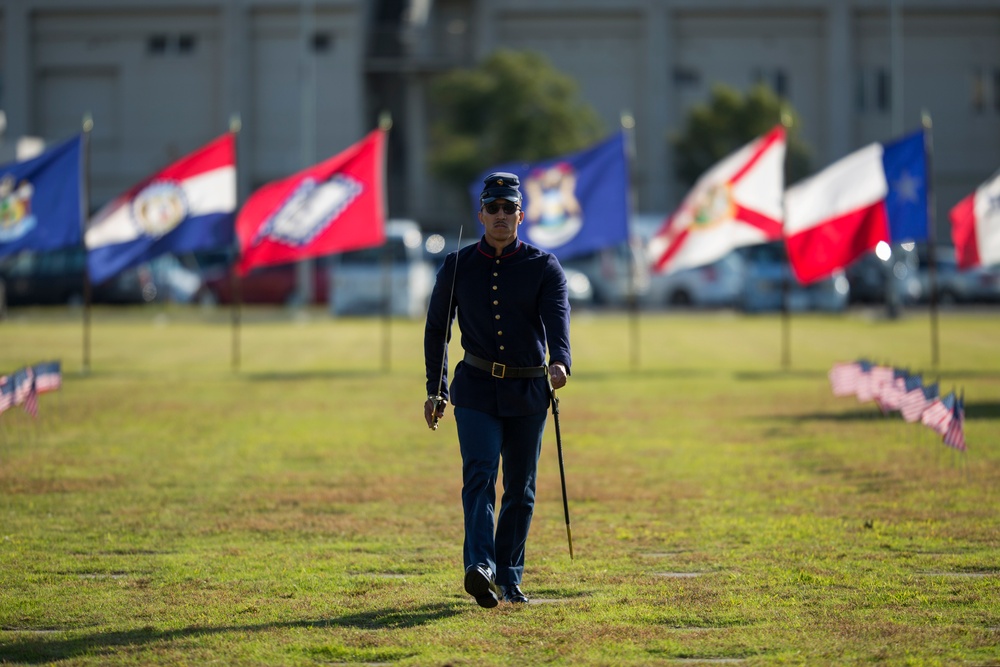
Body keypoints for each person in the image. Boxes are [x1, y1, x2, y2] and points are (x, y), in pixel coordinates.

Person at [423, 171, 571, 608]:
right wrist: (437, 389)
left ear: (521, 215)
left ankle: (509, 577)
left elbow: (558, 320)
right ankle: (480, 568)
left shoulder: (544, 267)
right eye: (494, 208)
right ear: (481, 213)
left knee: (521, 488)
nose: (501, 215)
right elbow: (437, 331)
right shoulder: (457, 266)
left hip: (528, 392)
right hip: (475, 391)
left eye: (509, 208)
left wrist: (561, 360)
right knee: (480, 475)